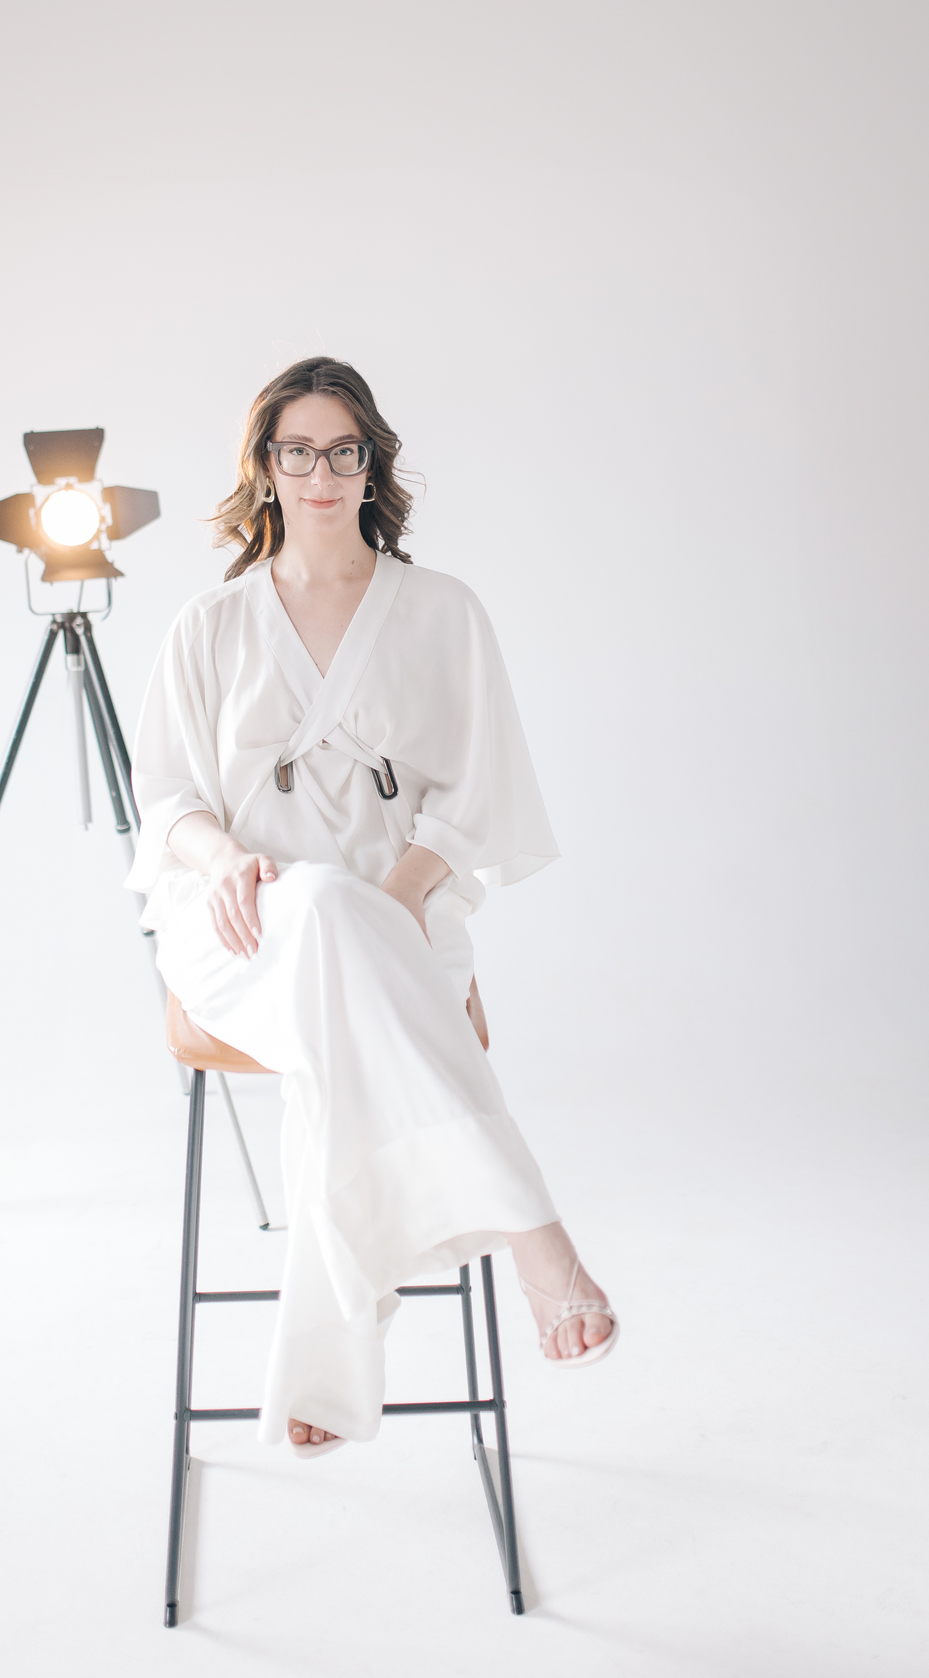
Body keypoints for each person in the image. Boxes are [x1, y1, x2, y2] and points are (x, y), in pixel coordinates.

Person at [128, 356, 617, 1456]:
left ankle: (328, 1358)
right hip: (241, 930)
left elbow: (482, 791)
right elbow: (162, 800)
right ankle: (536, 1239)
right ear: (265, 466)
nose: (321, 474)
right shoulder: (209, 625)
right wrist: (223, 860)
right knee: (315, 909)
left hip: (403, 926)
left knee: (343, 946)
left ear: (371, 465)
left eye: (342, 452)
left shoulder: (443, 612)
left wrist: (393, 899)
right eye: (297, 452)